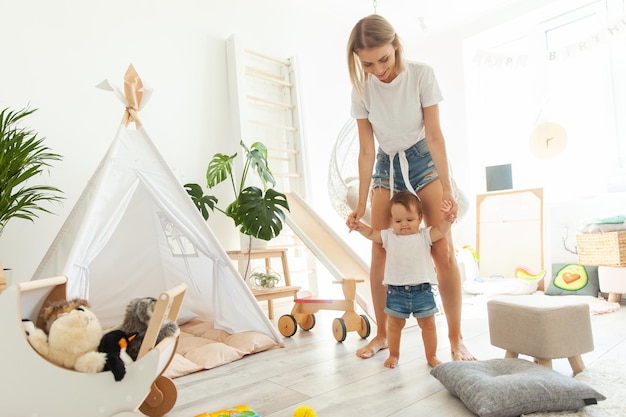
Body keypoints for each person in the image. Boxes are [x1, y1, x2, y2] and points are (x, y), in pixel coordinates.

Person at [345, 14, 475, 361]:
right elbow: (366, 150)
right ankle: (384, 336)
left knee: (442, 249)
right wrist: (360, 205)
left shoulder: (421, 74)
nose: (378, 70)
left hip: (421, 158)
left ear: (396, 45)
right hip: (386, 163)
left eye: (383, 59)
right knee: (379, 251)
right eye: (367, 64)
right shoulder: (362, 89)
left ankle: (456, 338)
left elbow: (433, 135)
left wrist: (447, 188)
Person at [352, 191, 455, 368]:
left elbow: (440, 231)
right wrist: (358, 226)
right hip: (396, 292)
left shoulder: (424, 235)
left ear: (420, 218)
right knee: (394, 326)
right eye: (398, 221)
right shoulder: (389, 236)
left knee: (428, 326)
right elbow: (371, 233)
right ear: (392, 221)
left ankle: (431, 355)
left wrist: (447, 219)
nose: (404, 224)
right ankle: (394, 354)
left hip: (422, 290)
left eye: (409, 220)